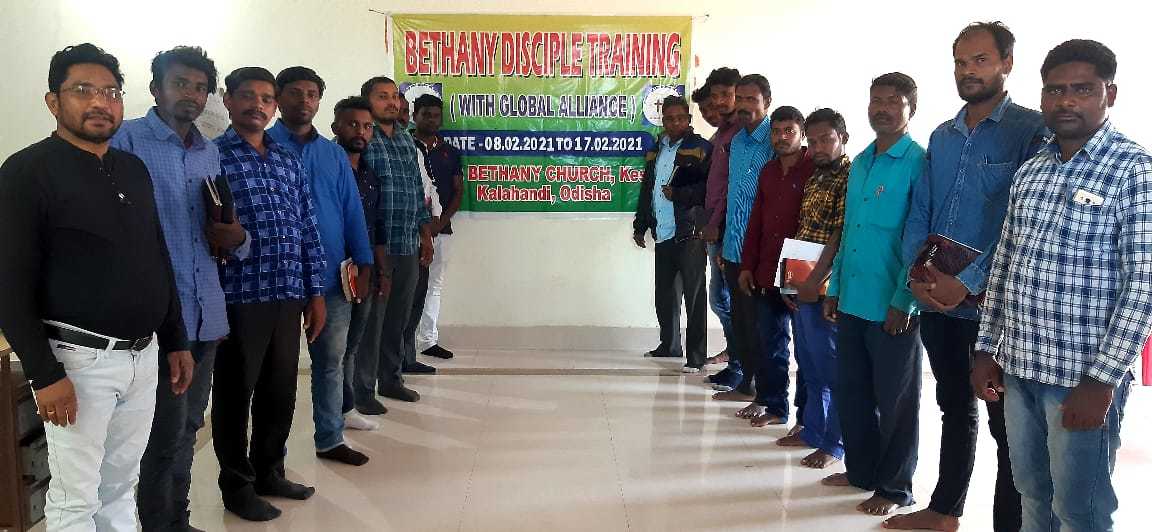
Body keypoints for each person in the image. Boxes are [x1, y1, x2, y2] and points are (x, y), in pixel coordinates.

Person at [0, 43, 193, 531]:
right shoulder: (26, 172)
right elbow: (9, 282)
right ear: (53, 101)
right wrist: (44, 375)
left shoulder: (132, 169)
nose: (99, 102)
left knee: (121, 485)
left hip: (143, 357)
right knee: (75, 497)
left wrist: (175, 339)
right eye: (83, 90)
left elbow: (157, 255)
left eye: (110, 92)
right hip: (79, 361)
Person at [972, 39, 1151, 532]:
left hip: (1080, 379)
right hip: (1019, 371)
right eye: (1054, 90)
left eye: (1082, 89)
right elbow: (1005, 265)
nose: (1066, 101)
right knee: (1031, 493)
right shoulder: (1032, 171)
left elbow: (1143, 286)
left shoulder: (1134, 170)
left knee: (1080, 510)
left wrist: (1102, 381)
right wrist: (986, 348)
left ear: (1109, 94)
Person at [887, 22, 1045, 532]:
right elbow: (921, 210)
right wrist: (918, 274)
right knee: (954, 408)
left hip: (998, 311)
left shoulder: (1031, 131)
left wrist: (971, 280)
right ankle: (944, 511)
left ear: (1007, 63)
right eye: (960, 62)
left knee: (1008, 428)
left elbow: (1025, 221)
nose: (968, 71)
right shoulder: (942, 135)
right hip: (938, 302)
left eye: (980, 60)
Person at [112, 45, 249, 532]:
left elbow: (219, 227)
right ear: (156, 89)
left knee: (190, 425)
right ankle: (159, 523)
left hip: (206, 310)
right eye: (180, 84)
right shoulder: (126, 141)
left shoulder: (208, 152)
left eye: (199, 87)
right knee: (163, 432)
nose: (191, 94)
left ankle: (178, 518)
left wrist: (235, 237)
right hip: (159, 317)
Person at [211, 66, 327, 521]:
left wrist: (315, 293)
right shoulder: (213, 157)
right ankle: (237, 487)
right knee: (235, 395)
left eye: (265, 98)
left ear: (274, 106)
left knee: (280, 391)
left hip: (288, 292)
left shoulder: (286, 159)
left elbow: (307, 227)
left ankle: (269, 471)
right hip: (239, 296)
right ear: (228, 100)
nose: (256, 105)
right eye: (247, 96)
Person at [821, 72, 926, 517]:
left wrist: (905, 300)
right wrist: (835, 287)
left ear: (910, 108)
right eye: (875, 100)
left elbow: (919, 239)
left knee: (896, 402)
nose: (882, 108)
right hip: (852, 299)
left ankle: (896, 488)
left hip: (892, 304)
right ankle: (861, 472)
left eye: (893, 100)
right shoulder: (862, 161)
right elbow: (850, 230)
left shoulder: (918, 162)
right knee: (853, 392)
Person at [268, 67, 375, 467]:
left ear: (319, 102)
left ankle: (330, 439)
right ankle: (270, 456)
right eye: (295, 93)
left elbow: (352, 211)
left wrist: (363, 261)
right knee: (276, 371)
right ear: (279, 97)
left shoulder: (332, 155)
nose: (304, 101)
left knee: (330, 363)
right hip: (276, 277)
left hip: (330, 275)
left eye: (312, 94)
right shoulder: (263, 146)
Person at [769, 108, 851, 469]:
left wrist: (814, 282)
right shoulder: (816, 176)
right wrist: (790, 282)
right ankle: (813, 432)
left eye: (826, 140)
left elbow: (839, 235)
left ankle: (834, 444)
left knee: (832, 370)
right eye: (813, 141)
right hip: (802, 285)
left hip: (825, 289)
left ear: (843, 138)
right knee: (810, 366)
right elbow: (804, 232)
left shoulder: (849, 176)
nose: (818, 147)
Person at [353, 76, 434, 405]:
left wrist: (425, 234)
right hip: (374, 247)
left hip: (407, 243)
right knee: (371, 322)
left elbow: (417, 189)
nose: (391, 102)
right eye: (382, 96)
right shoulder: (360, 137)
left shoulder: (405, 141)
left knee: (397, 319)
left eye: (394, 97)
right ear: (367, 100)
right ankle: (362, 390)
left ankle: (391, 380)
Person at [736, 106, 813, 426]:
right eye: (777, 131)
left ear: (802, 133)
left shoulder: (815, 168)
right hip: (768, 268)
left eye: (789, 131)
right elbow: (756, 220)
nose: (782, 137)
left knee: (808, 349)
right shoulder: (768, 171)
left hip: (803, 270)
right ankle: (774, 405)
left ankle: (807, 418)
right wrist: (747, 265)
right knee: (771, 343)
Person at [632, 95, 712, 372]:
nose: (675, 123)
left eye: (680, 118)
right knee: (665, 295)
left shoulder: (701, 148)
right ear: (662, 120)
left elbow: (708, 190)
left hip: (690, 233)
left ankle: (696, 357)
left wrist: (679, 194)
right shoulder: (656, 149)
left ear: (688, 120)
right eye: (669, 118)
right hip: (663, 232)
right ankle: (670, 345)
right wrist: (641, 225)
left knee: (694, 298)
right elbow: (648, 189)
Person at [712, 74, 776, 408]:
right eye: (741, 99)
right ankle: (747, 385)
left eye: (753, 99)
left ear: (767, 102)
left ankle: (768, 395)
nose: (745, 106)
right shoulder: (736, 141)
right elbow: (734, 196)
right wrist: (726, 244)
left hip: (762, 253)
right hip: (734, 248)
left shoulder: (775, 139)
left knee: (763, 327)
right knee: (741, 322)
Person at [332, 95, 389, 419]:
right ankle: (334, 413)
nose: (361, 132)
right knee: (335, 349)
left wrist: (381, 271)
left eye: (367, 127)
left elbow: (377, 226)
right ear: (336, 126)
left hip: (363, 271)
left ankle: (346, 406)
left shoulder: (369, 174)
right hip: (334, 270)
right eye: (353, 124)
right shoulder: (328, 168)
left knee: (353, 344)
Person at [410, 94, 463, 361]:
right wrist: (423, 225)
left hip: (441, 230)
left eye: (435, 115)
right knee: (408, 287)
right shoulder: (404, 146)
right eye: (426, 115)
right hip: (409, 230)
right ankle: (403, 345)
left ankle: (428, 340)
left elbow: (458, 191)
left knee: (434, 285)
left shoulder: (449, 152)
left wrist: (440, 222)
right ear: (415, 116)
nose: (431, 120)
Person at [699, 67, 742, 386]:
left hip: (728, 229)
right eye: (715, 96)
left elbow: (735, 186)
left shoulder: (742, 134)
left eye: (726, 95)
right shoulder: (723, 134)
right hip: (716, 226)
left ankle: (741, 364)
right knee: (722, 299)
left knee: (727, 301)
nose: (719, 102)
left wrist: (716, 223)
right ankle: (737, 358)